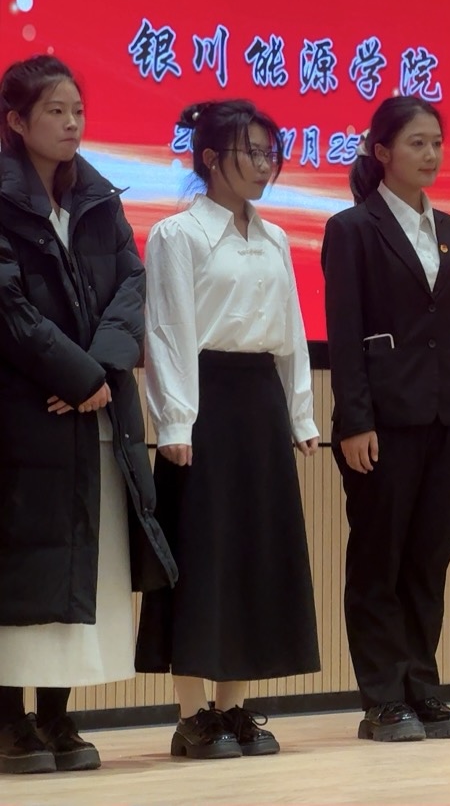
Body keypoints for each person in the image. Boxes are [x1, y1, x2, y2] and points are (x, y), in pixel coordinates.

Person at [0, 55, 175, 775]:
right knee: (23, 564)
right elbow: (7, 306)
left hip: (96, 410)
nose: (72, 123)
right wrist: (75, 375)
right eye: (56, 111)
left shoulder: (98, 196)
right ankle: (9, 721)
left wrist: (98, 374)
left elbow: (132, 285)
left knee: (85, 563)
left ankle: (56, 715)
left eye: (78, 110)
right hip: (25, 411)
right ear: (16, 120)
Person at [135, 99, 322, 758]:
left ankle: (235, 708)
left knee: (251, 555)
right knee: (202, 556)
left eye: (271, 153)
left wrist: (300, 412)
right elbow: (168, 331)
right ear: (211, 158)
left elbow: (290, 331)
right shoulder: (178, 235)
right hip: (203, 404)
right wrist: (175, 420)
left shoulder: (275, 238)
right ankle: (193, 716)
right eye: (252, 152)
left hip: (259, 403)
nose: (265, 165)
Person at [322, 96, 450, 741]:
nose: (430, 154)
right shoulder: (353, 228)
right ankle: (382, 697)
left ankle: (423, 688)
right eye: (417, 143)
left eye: (437, 143)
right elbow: (344, 335)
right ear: (382, 152)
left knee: (428, 560)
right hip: (383, 421)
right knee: (379, 559)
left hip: (447, 416)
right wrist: (354, 421)